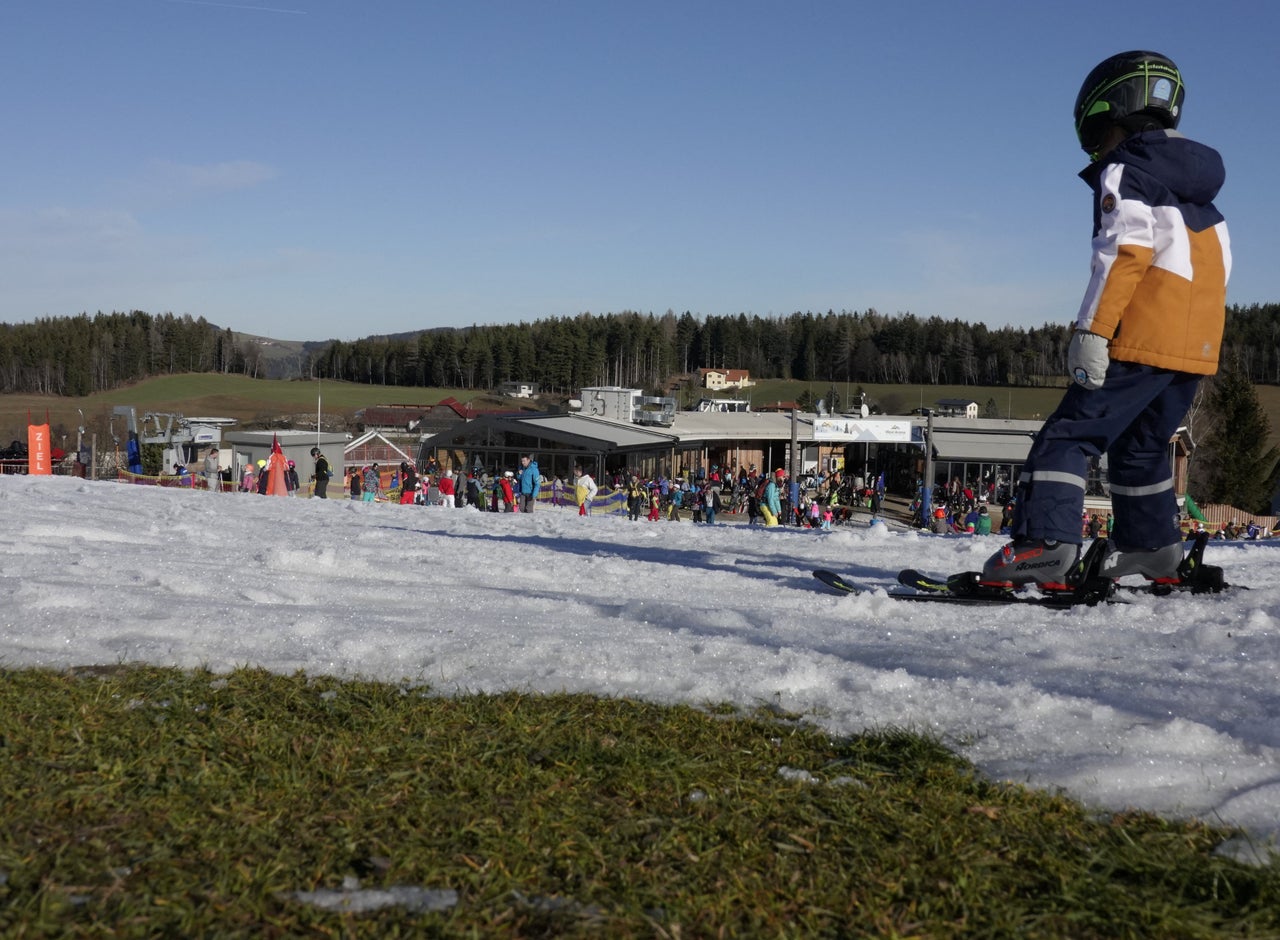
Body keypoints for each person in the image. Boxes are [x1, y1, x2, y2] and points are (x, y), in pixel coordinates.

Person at [983, 50, 1230, 588]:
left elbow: (1123, 253)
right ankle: (1153, 548)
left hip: (1140, 337)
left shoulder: (1126, 170)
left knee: (1068, 437)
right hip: (1195, 347)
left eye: (1097, 139)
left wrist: (1093, 329)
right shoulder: (1202, 198)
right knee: (1141, 449)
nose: (1097, 151)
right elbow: (1218, 269)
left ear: (1109, 116)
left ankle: (1045, 546)